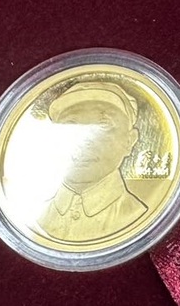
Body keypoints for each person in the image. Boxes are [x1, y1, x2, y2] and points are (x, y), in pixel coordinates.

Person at [38, 80, 148, 243]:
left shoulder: (135, 215)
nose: (84, 140)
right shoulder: (38, 218)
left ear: (130, 141)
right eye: (70, 126)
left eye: (102, 125)